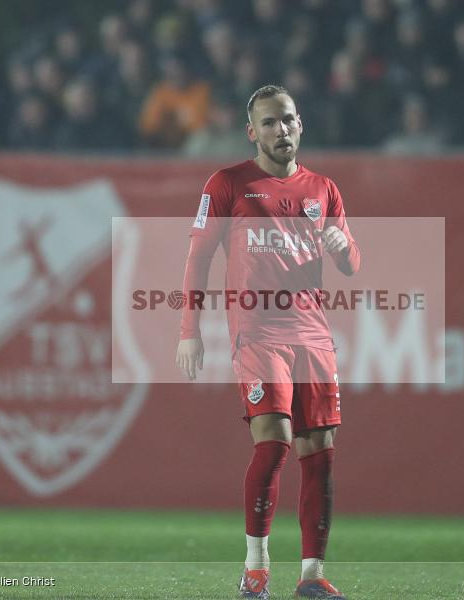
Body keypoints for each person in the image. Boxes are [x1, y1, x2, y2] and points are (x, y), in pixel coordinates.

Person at [175, 84, 358, 599]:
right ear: (252, 131)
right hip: (257, 333)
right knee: (274, 442)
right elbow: (199, 258)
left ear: (301, 125)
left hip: (313, 334)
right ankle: (256, 568)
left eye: (290, 119)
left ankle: (312, 576)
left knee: (320, 451)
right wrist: (189, 331)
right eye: (271, 122)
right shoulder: (228, 183)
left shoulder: (324, 188)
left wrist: (344, 247)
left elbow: (350, 262)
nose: (282, 129)